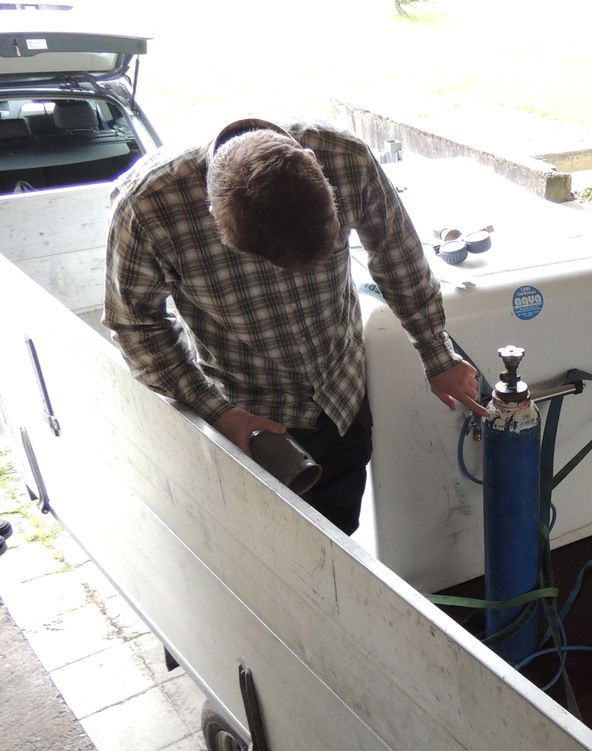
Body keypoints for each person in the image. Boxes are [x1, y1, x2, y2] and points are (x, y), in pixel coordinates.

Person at [103, 118, 487, 534]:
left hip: (341, 398)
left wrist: (436, 353)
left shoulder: (347, 160)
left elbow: (398, 256)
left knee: (340, 534)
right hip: (245, 420)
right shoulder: (148, 205)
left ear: (314, 163)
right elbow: (135, 325)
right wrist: (219, 413)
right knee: (265, 548)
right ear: (212, 213)